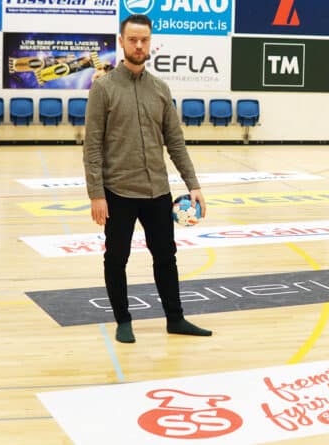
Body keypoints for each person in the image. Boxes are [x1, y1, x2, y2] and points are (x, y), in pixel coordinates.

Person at [83, 14, 211, 343]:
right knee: (116, 258)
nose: (139, 45)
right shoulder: (103, 88)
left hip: (157, 192)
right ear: (121, 42)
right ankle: (123, 321)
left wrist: (193, 185)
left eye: (144, 40)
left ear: (150, 43)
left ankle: (175, 319)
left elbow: (176, 142)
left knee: (166, 257)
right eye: (132, 40)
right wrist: (96, 194)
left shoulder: (160, 89)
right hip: (118, 193)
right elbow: (92, 145)